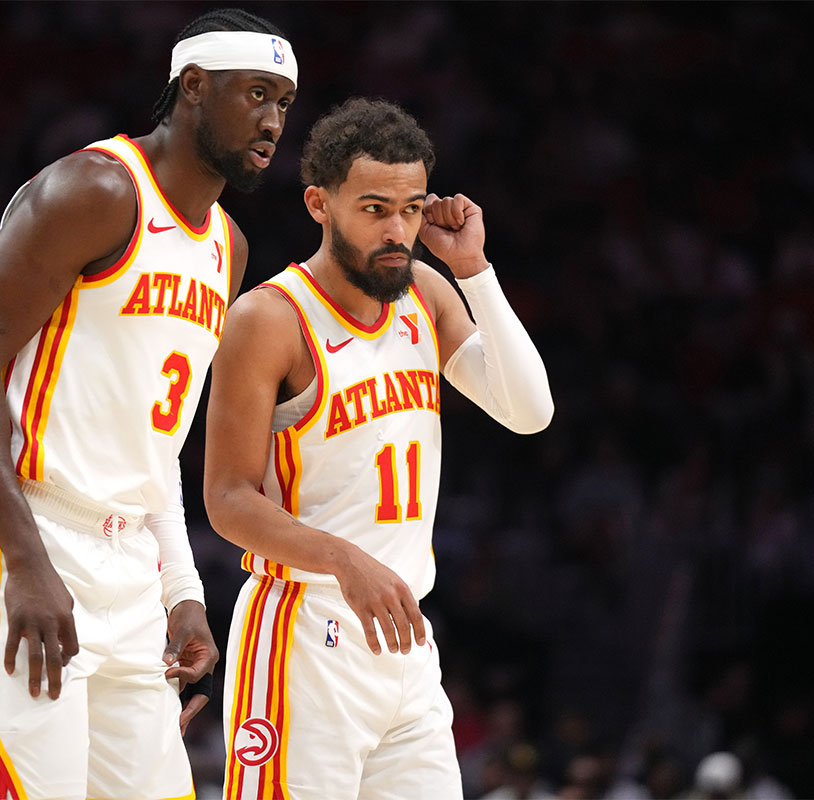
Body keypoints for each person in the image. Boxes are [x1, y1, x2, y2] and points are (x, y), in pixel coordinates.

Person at [0, 9, 298, 800]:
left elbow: (158, 443)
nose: (272, 121)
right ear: (193, 86)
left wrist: (182, 592)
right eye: (256, 94)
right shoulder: (94, 188)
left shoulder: (227, 248)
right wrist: (25, 562)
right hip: (18, 533)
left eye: (285, 103)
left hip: (127, 562)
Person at [204, 97, 554, 799]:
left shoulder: (425, 291)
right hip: (304, 634)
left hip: (406, 646)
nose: (399, 230)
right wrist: (343, 559)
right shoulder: (269, 319)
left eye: (413, 208)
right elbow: (226, 499)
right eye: (374, 209)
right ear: (319, 203)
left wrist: (475, 270)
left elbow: (530, 411)